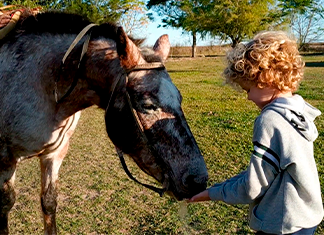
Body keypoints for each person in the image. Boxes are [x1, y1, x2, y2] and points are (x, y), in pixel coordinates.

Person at [187, 31, 323, 235]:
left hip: (281, 225)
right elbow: (268, 172)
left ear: (265, 79)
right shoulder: (299, 112)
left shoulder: (271, 120)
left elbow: (252, 187)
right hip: (306, 219)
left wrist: (212, 194)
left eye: (248, 90)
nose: (248, 98)